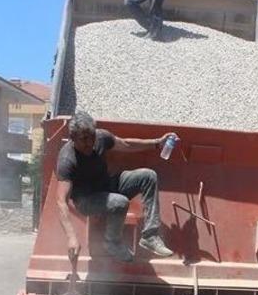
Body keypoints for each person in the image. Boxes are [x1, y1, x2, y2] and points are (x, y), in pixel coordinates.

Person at [55, 112, 175, 263]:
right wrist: (71, 237)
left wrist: (157, 143)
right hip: (86, 201)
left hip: (106, 186)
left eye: (91, 136)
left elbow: (126, 144)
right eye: (84, 139)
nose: (90, 142)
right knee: (120, 202)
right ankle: (112, 242)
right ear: (72, 138)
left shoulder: (100, 137)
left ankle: (150, 236)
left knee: (148, 176)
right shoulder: (67, 159)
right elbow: (61, 201)